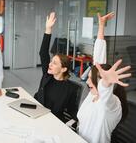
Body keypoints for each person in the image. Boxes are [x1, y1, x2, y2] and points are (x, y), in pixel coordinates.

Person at [77, 12, 130, 143]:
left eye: (92, 78)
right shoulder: (93, 96)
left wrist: (106, 83)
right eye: (88, 77)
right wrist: (101, 26)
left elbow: (105, 91)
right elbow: (98, 59)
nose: (87, 81)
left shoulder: (112, 104)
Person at [34, 12, 77, 122]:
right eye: (51, 61)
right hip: (37, 114)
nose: (50, 64)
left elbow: (73, 113)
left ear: (63, 69)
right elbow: (43, 53)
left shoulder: (70, 89)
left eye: (54, 63)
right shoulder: (47, 76)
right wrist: (48, 29)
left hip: (54, 121)